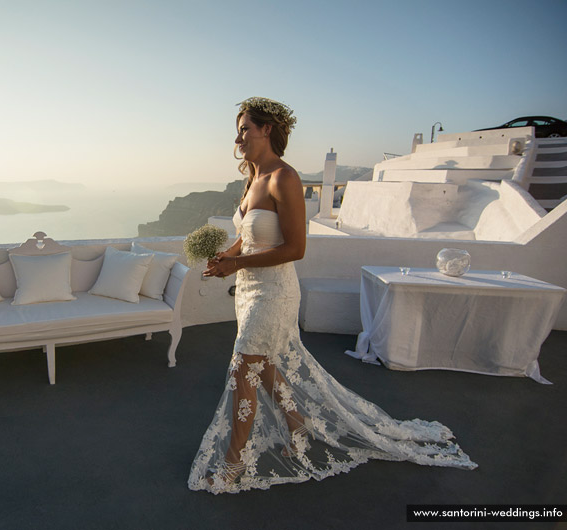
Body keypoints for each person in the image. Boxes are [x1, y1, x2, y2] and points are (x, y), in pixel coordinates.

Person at [187, 97, 476, 494]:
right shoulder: (253, 177)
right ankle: (299, 429)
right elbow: (247, 236)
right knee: (265, 367)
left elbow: (295, 249)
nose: (238, 136)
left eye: (244, 128)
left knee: (243, 371)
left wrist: (237, 266)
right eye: (238, 130)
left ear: (266, 130)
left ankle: (233, 465)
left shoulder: (283, 177)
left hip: (275, 293)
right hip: (249, 292)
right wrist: (229, 256)